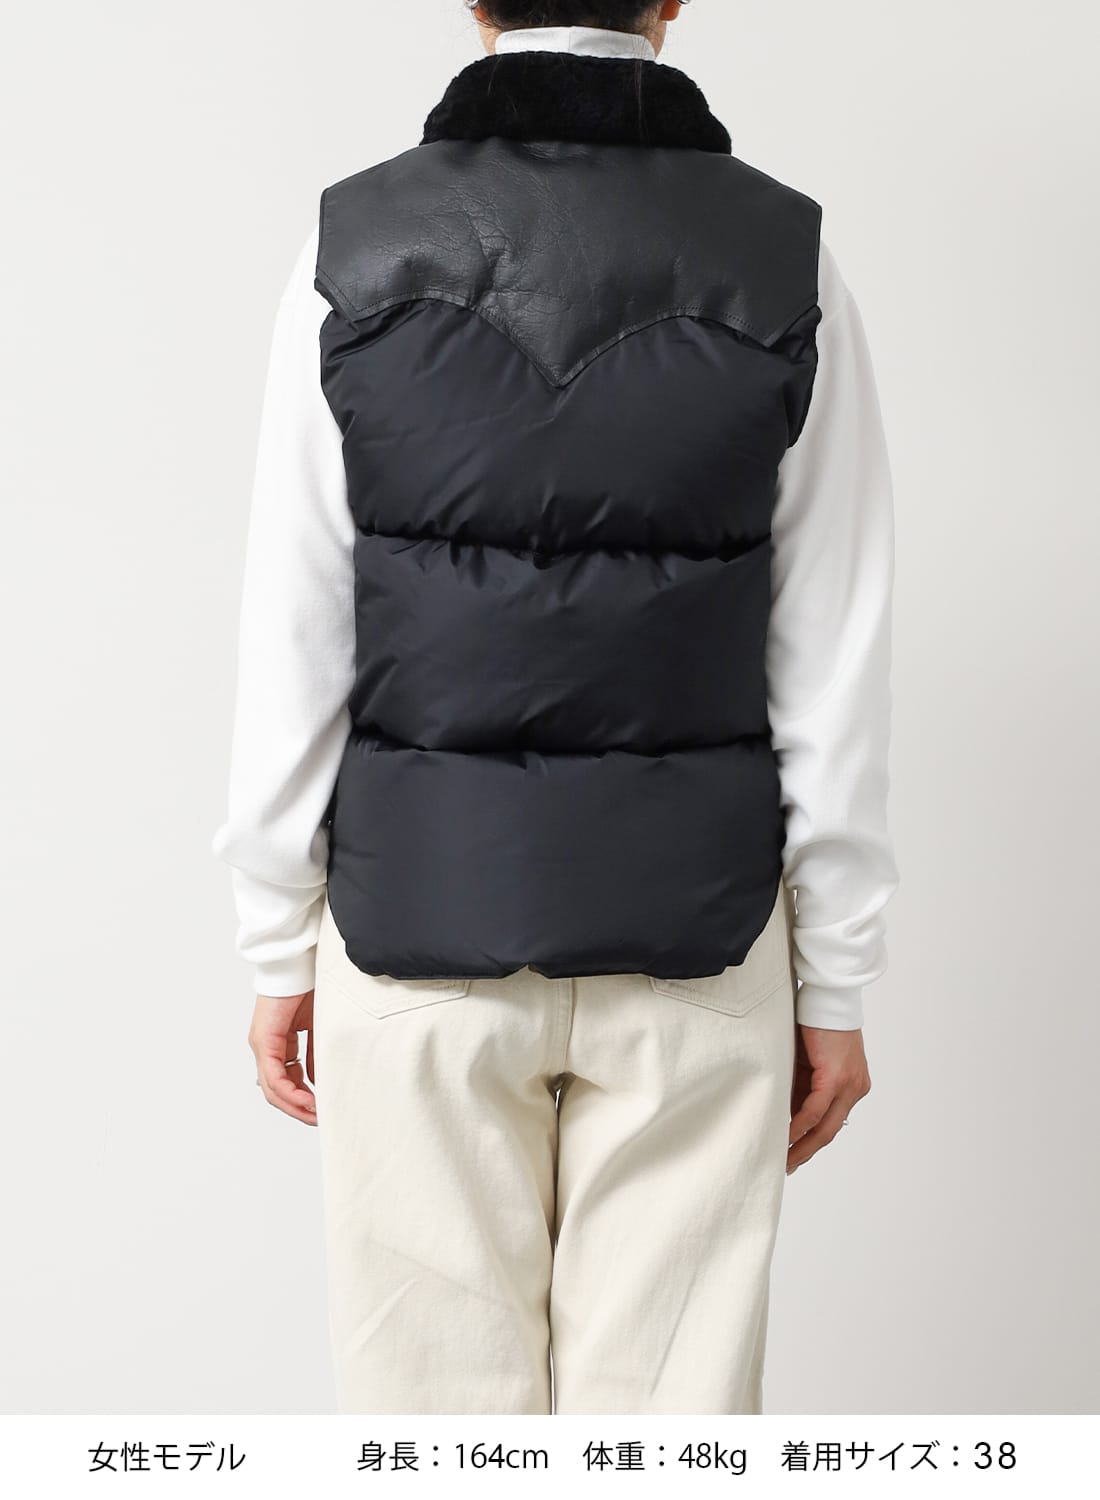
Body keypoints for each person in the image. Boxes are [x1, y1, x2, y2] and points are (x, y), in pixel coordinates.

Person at [211, 0, 899, 1416]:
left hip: (417, 928)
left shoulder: (350, 246)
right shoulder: (787, 251)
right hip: (698, 941)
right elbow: (832, 650)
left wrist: (278, 935)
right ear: (671, 2)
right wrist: (832, 976)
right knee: (669, 1433)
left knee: (434, 1432)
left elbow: (295, 625)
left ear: (474, 3)